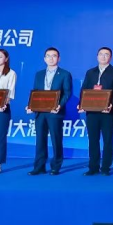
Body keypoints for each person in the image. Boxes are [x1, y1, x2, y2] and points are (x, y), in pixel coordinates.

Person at [26, 47, 73, 176]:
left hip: (55, 112)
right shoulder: (39, 74)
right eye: (48, 56)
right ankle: (39, 166)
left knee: (56, 139)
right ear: (44, 59)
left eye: (54, 56)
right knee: (40, 139)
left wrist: (59, 105)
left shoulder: (64, 74)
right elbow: (36, 93)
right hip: (40, 112)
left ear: (59, 58)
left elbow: (67, 93)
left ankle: (55, 166)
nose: (51, 58)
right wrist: (31, 106)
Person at [79, 47, 113, 176]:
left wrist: (110, 104)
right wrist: (81, 104)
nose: (103, 56)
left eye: (106, 54)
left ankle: (106, 167)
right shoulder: (90, 72)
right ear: (97, 56)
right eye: (101, 54)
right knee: (93, 140)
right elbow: (84, 90)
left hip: (107, 112)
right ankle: (93, 167)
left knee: (108, 140)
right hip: (91, 112)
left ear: (111, 57)